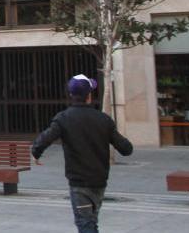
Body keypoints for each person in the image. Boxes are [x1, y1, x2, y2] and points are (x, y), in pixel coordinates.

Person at [31, 74, 134, 233]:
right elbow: (126, 149)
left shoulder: (63, 118)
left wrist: (36, 153)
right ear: (89, 95)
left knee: (85, 224)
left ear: (72, 95)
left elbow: (45, 138)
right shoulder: (103, 119)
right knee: (91, 221)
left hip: (78, 182)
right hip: (99, 181)